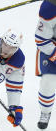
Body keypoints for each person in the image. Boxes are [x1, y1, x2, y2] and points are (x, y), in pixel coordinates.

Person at [35, 0, 56, 129]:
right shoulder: (50, 7)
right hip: (51, 45)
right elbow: (41, 39)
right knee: (48, 83)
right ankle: (45, 111)